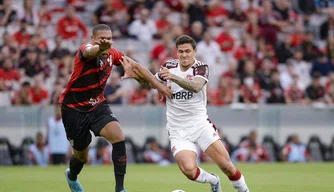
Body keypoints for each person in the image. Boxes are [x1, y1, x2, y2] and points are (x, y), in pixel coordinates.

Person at [120, 35, 250, 192]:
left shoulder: (201, 68)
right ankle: (213, 181)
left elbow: (196, 86)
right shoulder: (169, 66)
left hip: (200, 125)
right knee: (188, 170)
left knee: (227, 166)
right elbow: (151, 83)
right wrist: (137, 77)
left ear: (195, 51)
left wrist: (173, 77)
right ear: (177, 52)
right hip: (178, 129)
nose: (184, 55)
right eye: (181, 51)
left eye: (188, 51)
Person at [58, 24, 172, 192]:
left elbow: (136, 66)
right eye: (102, 39)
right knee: (81, 157)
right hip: (74, 110)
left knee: (118, 135)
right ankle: (72, 176)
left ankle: (120, 189)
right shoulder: (85, 50)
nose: (107, 42)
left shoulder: (113, 54)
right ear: (93, 39)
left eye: (109, 39)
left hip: (97, 105)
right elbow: (90, 51)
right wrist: (99, 48)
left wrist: (159, 86)